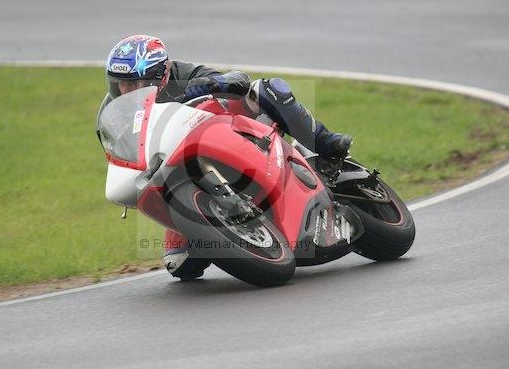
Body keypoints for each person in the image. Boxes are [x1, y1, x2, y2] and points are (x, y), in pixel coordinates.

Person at [102, 34, 352, 280]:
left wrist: (207, 85)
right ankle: (231, 228)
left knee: (266, 90)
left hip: (223, 131)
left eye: (136, 84)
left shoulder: (182, 73)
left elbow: (239, 80)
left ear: (162, 74)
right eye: (122, 84)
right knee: (180, 265)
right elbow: (122, 156)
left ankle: (326, 145)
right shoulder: (117, 113)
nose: (128, 91)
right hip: (177, 174)